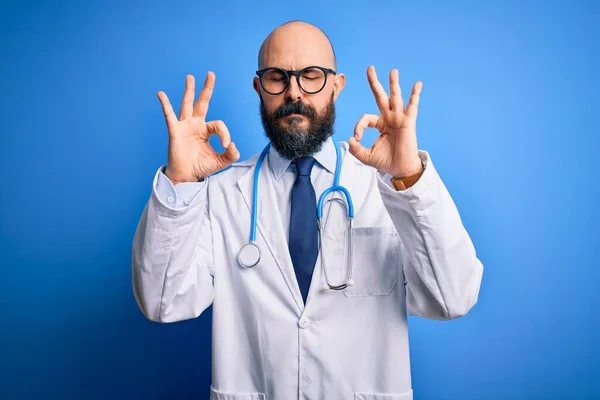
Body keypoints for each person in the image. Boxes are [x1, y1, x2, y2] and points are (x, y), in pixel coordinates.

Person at [132, 20, 483, 400]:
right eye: (277, 77)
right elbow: (162, 302)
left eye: (311, 76)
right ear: (258, 87)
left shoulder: (387, 186)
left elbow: (452, 297)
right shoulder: (221, 193)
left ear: (337, 84)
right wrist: (180, 181)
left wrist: (410, 176)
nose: (293, 92)